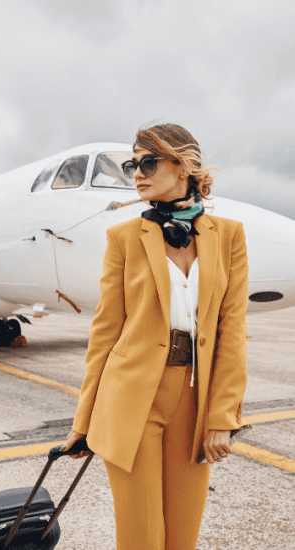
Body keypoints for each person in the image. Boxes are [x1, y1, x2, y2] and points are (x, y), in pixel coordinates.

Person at [63, 123, 249, 550]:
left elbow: (232, 330)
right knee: (142, 537)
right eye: (134, 164)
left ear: (182, 165)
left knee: (182, 536)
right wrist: (83, 420)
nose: (137, 173)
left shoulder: (229, 236)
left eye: (148, 162)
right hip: (130, 399)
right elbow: (105, 332)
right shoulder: (123, 238)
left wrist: (223, 417)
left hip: (192, 398)